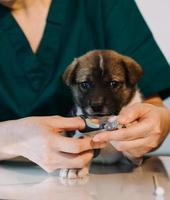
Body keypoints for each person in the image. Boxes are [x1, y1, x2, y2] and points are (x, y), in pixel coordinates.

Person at [0, 0, 170, 172]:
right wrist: (10, 137)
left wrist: (158, 123)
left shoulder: (103, 6)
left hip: (106, 181)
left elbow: (151, 106)